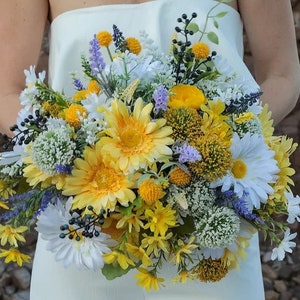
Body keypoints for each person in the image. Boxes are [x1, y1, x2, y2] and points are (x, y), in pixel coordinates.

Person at [0, 0, 299, 299]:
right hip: (82, 232)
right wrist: (73, 151)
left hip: (212, 236)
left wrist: (222, 140)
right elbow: (7, 90)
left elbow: (283, 76)